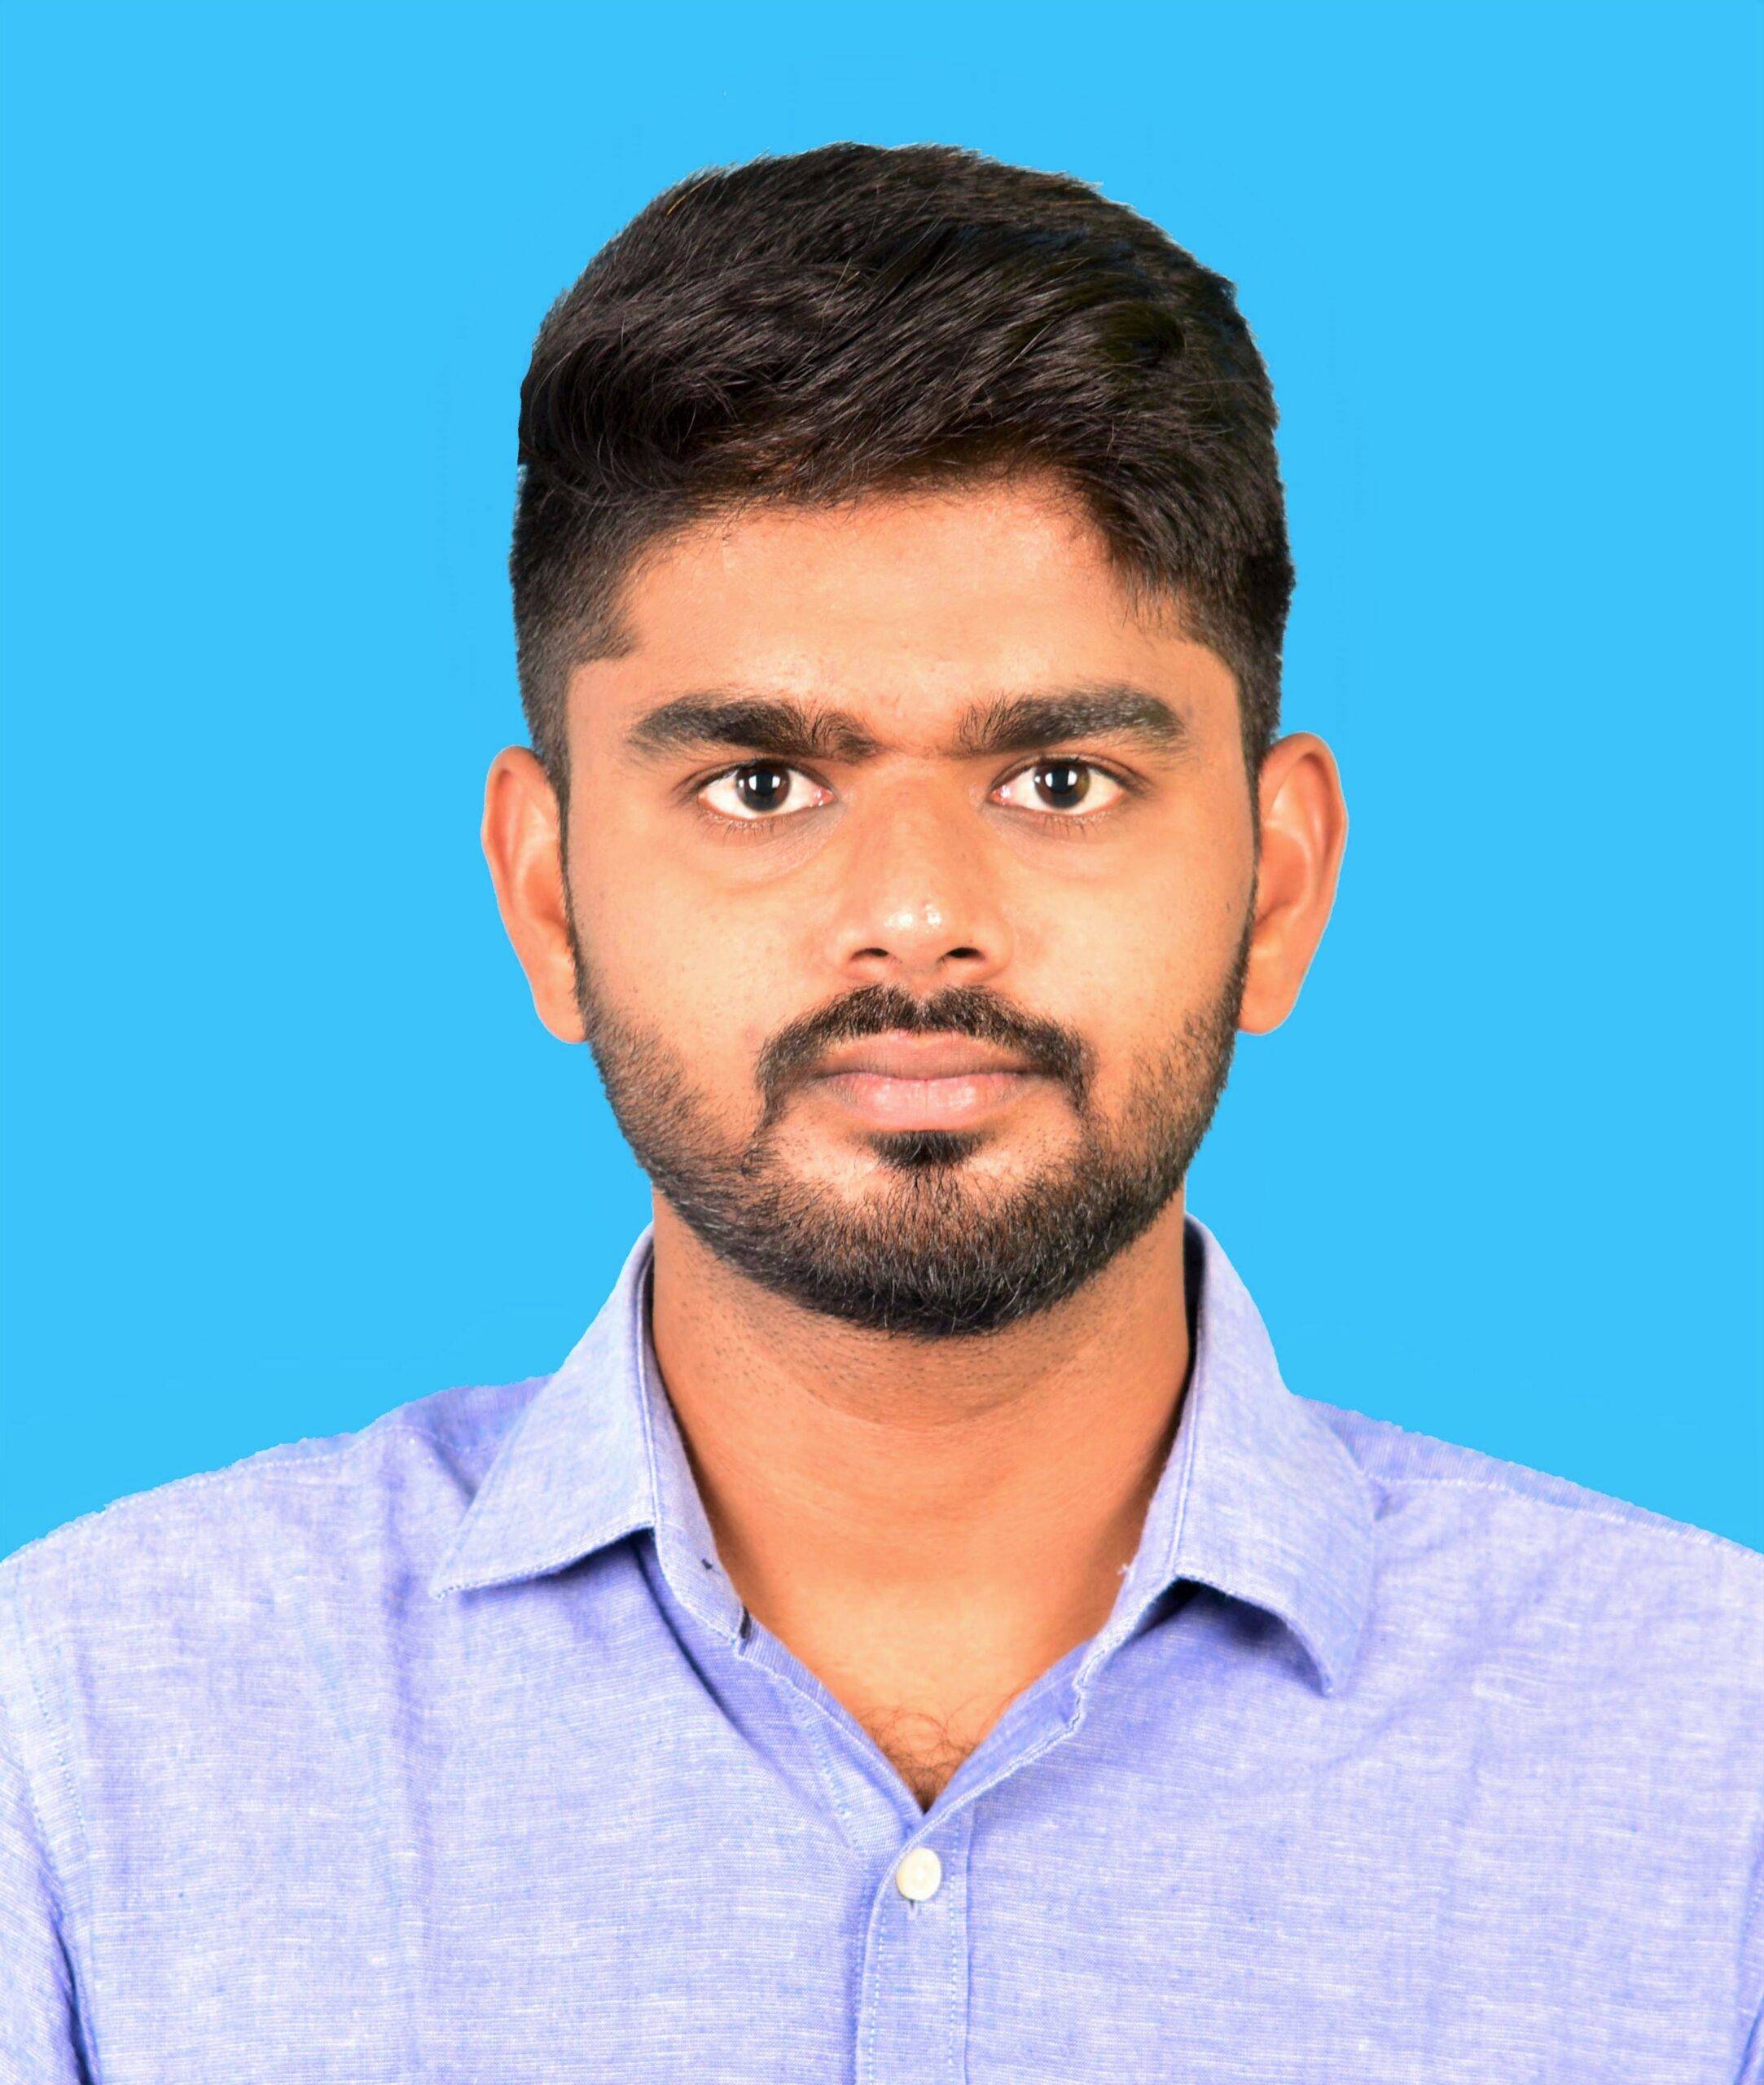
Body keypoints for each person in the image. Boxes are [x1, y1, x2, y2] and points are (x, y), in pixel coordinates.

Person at [3, 141, 1759, 2083]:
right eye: (761, 782)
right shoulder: (81, 1744)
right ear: (548, 894)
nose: (917, 914)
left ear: (1276, 885)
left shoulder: (1716, 1763)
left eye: (1061, 779)